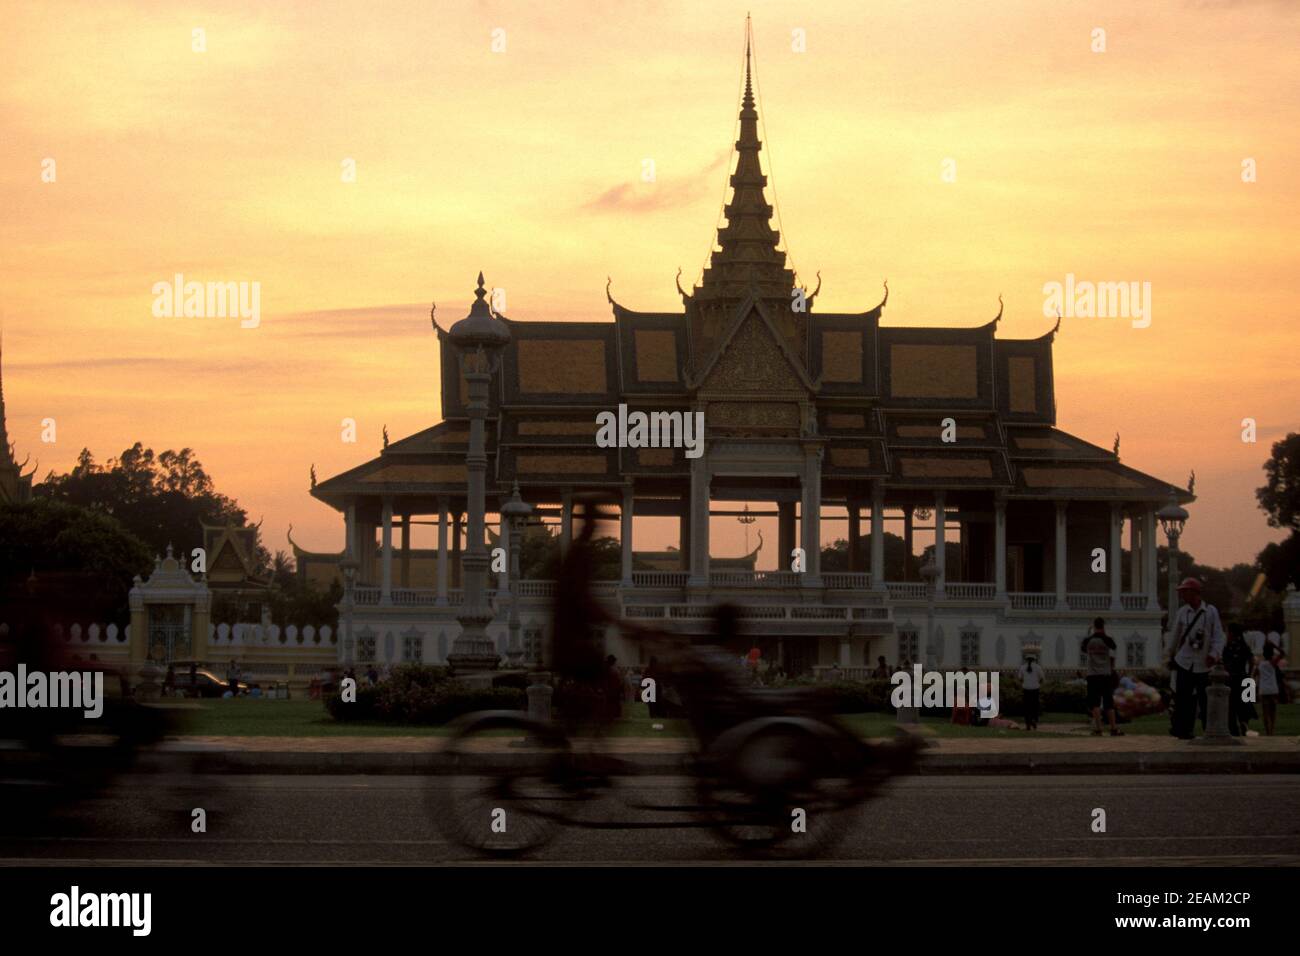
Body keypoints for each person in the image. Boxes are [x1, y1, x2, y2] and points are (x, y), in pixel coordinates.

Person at [1168, 577, 1224, 740]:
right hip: (1184, 660)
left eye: (1185, 592)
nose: (1182, 595)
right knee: (1183, 698)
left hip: (1203, 662)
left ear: (1195, 593)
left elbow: (1218, 636)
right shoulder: (1182, 612)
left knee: (1205, 698)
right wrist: (1169, 655)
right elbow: (1175, 636)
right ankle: (1184, 730)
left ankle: (1209, 729)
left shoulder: (1210, 612)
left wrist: (1214, 654)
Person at [1082, 618, 1121, 736]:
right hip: (1105, 674)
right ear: (1104, 626)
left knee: (1095, 703)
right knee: (1109, 702)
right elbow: (1114, 647)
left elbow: (1083, 649)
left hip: (1092, 675)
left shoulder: (1088, 640)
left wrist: (1089, 632)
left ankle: (1098, 729)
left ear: (1094, 626)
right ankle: (1113, 728)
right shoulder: (1108, 640)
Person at [1221, 622, 1256, 736]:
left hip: (1232, 679)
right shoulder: (1244, 646)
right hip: (1244, 677)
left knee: (1231, 705)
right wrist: (1250, 674)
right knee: (1246, 704)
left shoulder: (1229, 647)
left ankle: (1234, 729)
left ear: (1231, 633)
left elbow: (1225, 663)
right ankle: (1244, 724)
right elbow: (1252, 661)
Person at [1256, 645, 1280, 736]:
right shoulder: (1273, 663)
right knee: (1273, 712)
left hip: (1264, 690)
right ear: (1272, 654)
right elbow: (1282, 653)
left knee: (1265, 712)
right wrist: (1274, 645)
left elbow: (1255, 675)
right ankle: (1272, 730)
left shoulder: (1260, 664)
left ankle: (1268, 732)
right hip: (1273, 689)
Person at [1018, 654, 1044, 730]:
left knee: (1027, 707)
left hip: (1026, 690)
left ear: (1026, 660)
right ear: (1034, 660)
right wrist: (1038, 683)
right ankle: (1034, 720)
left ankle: (1028, 723)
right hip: (1035, 690)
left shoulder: (1022, 667)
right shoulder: (1038, 667)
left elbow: (1020, 678)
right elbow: (1042, 678)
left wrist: (1024, 682)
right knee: (1034, 706)